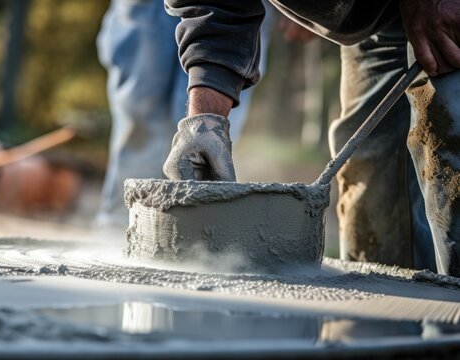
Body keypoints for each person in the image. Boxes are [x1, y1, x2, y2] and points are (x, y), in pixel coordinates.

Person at [162, 0, 460, 276]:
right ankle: (385, 326)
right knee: (371, 186)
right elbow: (216, 6)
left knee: (448, 160)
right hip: (374, 25)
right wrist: (206, 122)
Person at [94, 0, 273, 231]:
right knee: (140, 113)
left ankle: (195, 231)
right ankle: (128, 224)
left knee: (206, 142)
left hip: (245, 13)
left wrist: (301, 8)